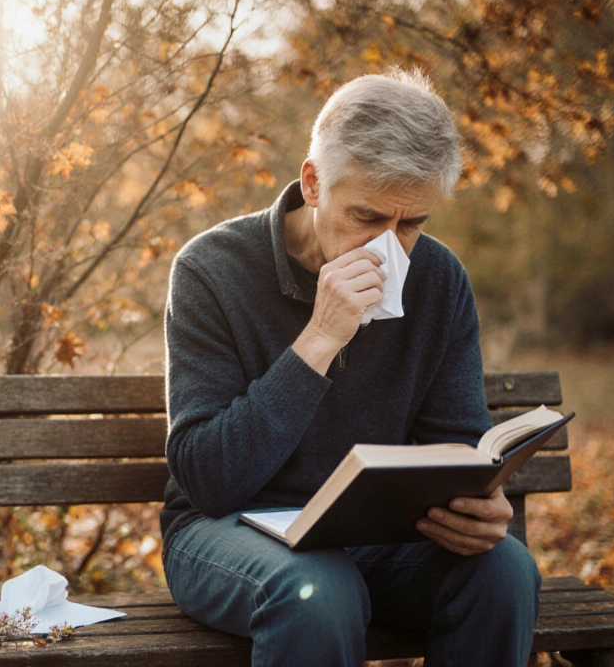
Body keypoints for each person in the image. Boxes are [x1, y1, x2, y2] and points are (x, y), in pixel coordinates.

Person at [158, 69, 541, 667]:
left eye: (411, 223)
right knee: (318, 589)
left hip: (375, 536)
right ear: (314, 183)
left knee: (504, 570)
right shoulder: (212, 269)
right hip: (229, 533)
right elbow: (209, 479)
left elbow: (459, 444)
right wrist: (318, 339)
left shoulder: (438, 280)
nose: (389, 246)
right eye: (367, 217)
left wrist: (482, 508)